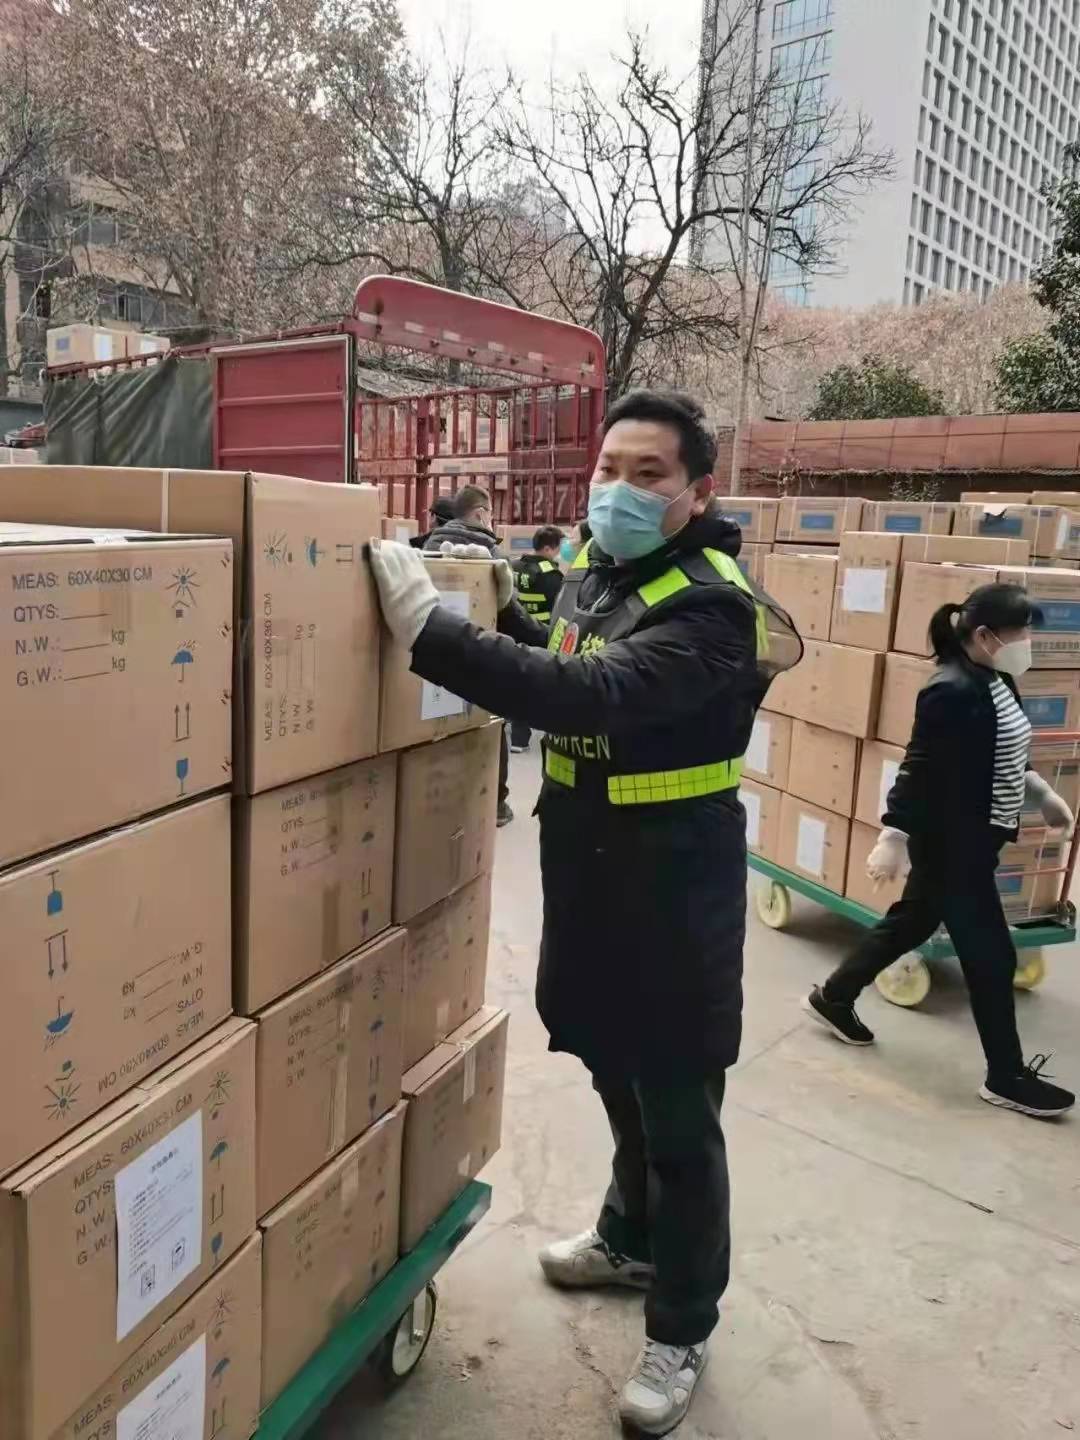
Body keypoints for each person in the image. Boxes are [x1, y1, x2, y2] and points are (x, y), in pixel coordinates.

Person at [368, 389, 801, 1436]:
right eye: (610, 468)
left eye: (649, 474)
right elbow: (561, 655)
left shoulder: (714, 607)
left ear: (699, 493)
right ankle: (629, 1237)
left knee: (679, 1107)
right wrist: (489, 610)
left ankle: (682, 1322)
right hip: (591, 865)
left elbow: (589, 696)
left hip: (676, 881)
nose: (619, 489)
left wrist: (431, 630)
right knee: (612, 1061)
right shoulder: (599, 573)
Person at [805, 583, 1075, 1120]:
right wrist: (893, 836)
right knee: (992, 956)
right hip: (954, 844)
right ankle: (1006, 1076)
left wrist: (1041, 794)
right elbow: (920, 766)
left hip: (976, 837)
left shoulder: (998, 679)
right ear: (985, 636)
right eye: (1021, 632)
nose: (1028, 642)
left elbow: (1000, 751)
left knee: (912, 921)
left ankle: (833, 997)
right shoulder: (949, 690)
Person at [422, 486, 515, 826]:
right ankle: (496, 803)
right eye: (490, 514)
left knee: (438, 733)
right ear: (480, 514)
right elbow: (510, 616)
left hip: (432, 658)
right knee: (490, 727)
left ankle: (435, 801)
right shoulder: (491, 554)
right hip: (485, 656)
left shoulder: (428, 547)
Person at [509, 524, 565, 753]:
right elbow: (560, 607)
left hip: (515, 629)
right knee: (538, 682)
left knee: (515, 680)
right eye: (559, 548)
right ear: (549, 548)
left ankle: (517, 734)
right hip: (541, 634)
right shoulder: (551, 574)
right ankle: (529, 734)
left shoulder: (514, 566)